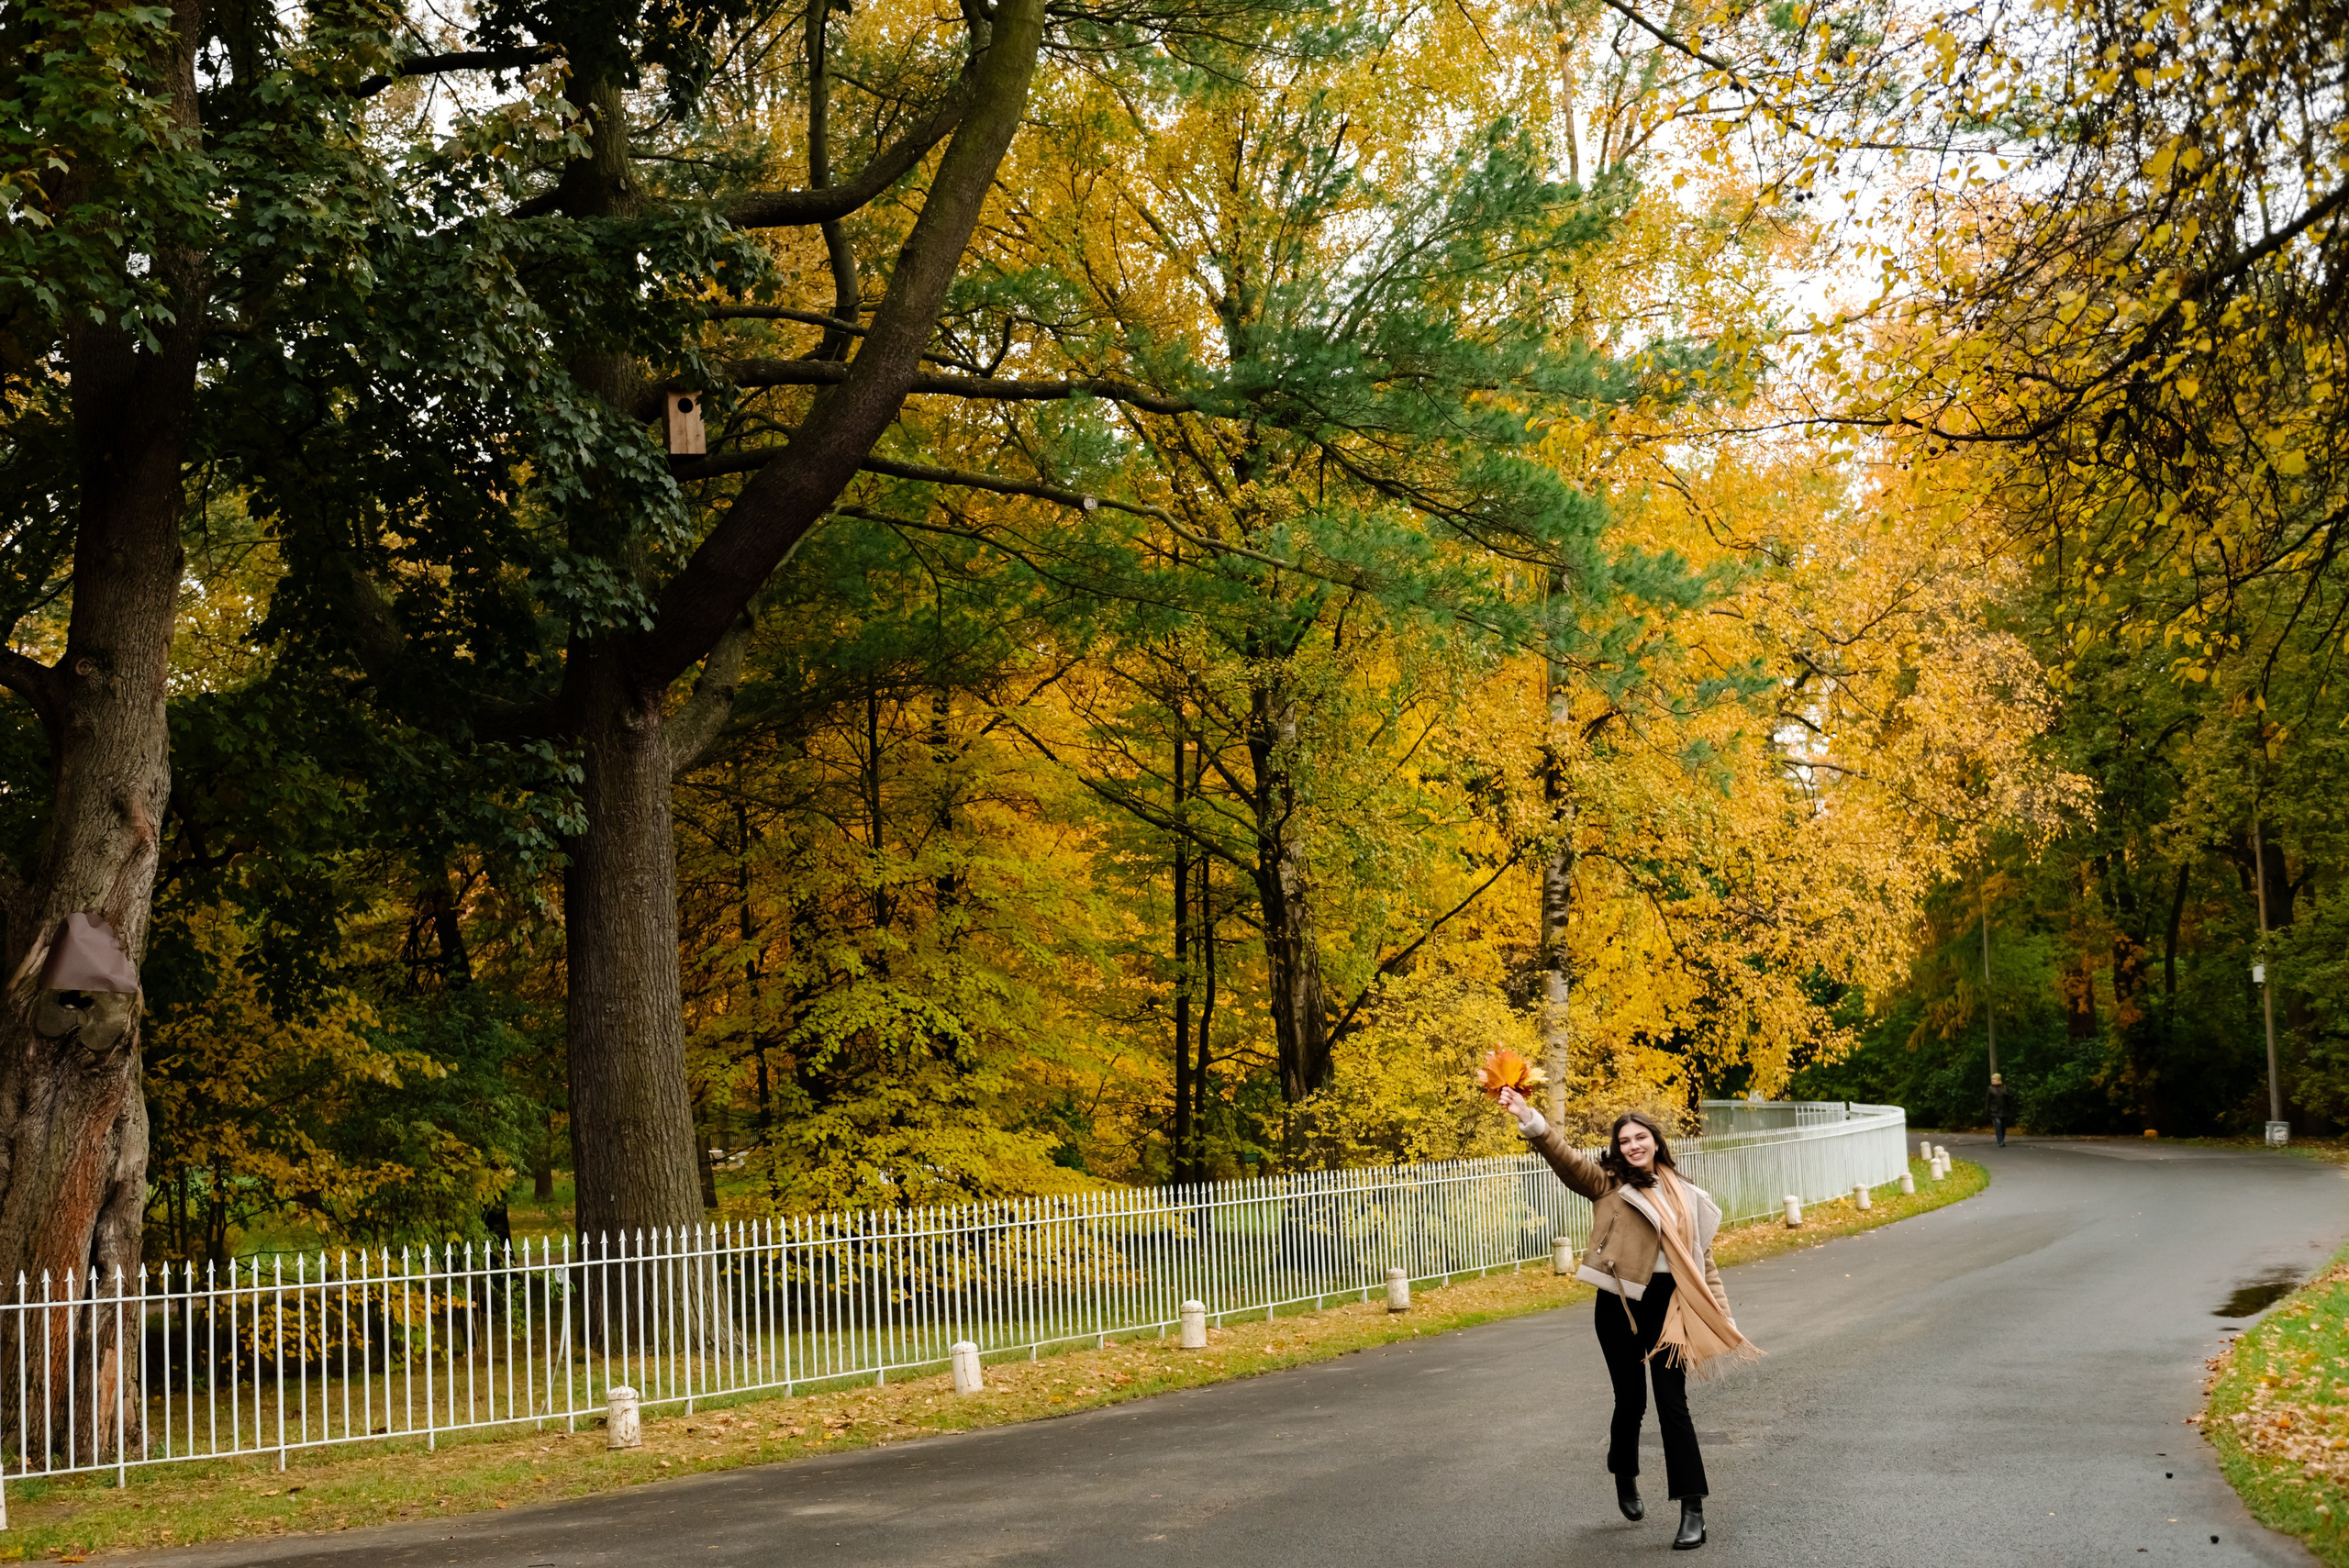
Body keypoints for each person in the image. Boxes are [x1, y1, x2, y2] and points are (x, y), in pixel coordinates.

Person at [1495, 1089, 1759, 1551]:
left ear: (1655, 1142)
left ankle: (1692, 1508)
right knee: (1630, 1402)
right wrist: (1529, 1118)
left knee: (1673, 1404)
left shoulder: (1687, 1196)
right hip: (1618, 1305)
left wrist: (1721, 1312)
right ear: (1617, 1149)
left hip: (1671, 1305)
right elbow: (1566, 1160)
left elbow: (1704, 1263)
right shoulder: (1607, 1185)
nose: (1633, 1145)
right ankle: (1624, 1471)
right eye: (1624, 1140)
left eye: (1641, 1137)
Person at [1987, 1073, 2014, 1147]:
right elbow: (1988, 1100)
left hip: (2004, 1110)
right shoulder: (1990, 1088)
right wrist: (1987, 1111)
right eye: (1992, 1079)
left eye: (1994, 1079)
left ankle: (2002, 1139)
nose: (1993, 1080)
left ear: (1999, 1080)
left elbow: (2012, 1096)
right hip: (1995, 1110)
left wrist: (2007, 1095)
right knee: (1998, 1124)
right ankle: (2000, 1141)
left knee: (2003, 1126)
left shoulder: (2004, 1087)